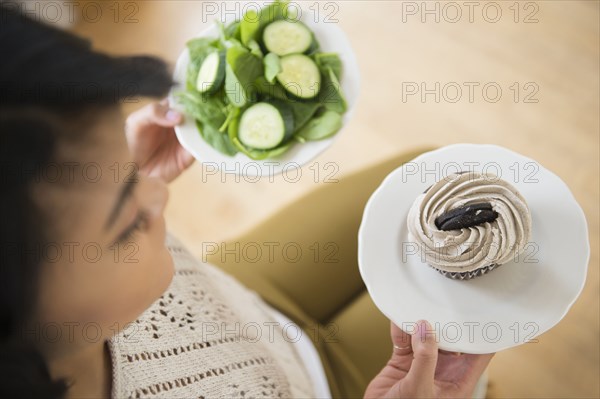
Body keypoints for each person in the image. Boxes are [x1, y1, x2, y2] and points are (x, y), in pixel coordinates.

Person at [0, 7, 493, 398]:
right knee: (477, 304)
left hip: (249, 301)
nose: (160, 194)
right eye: (128, 224)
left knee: (436, 174)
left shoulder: (65, 258)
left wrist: (116, 173)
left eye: (132, 176)